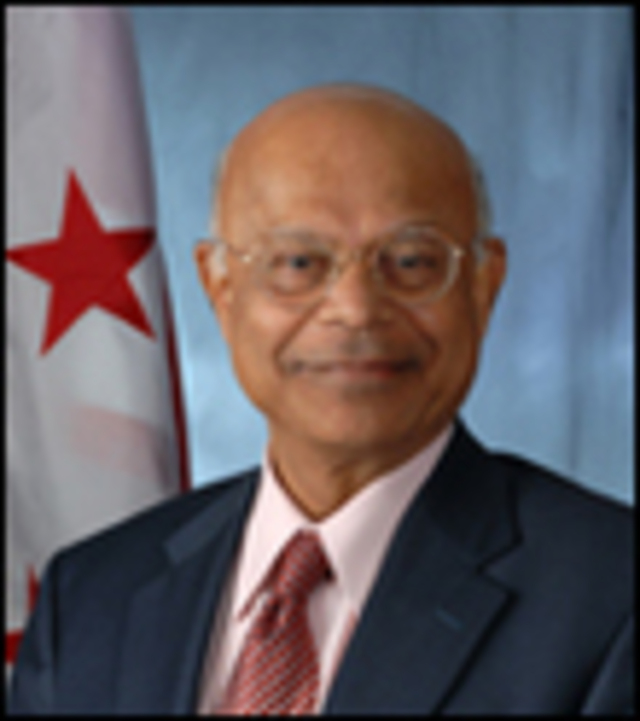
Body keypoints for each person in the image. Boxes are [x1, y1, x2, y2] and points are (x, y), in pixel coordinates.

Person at [8, 83, 633, 715]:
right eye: (298, 263)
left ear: (483, 284)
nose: (356, 310)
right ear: (219, 287)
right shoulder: (89, 597)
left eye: (411, 262)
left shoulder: (611, 595)